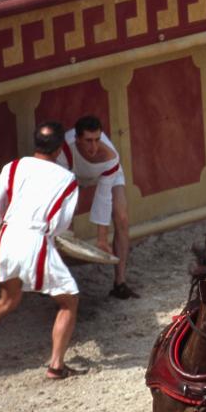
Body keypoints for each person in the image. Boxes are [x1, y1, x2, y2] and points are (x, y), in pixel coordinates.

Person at [0, 122, 84, 379]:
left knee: (7, 300)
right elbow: (59, 225)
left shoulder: (13, 167)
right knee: (68, 301)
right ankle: (56, 365)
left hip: (8, 236)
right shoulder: (67, 180)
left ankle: (57, 364)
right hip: (36, 240)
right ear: (58, 150)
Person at [58, 115, 139, 299]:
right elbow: (62, 190)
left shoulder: (109, 157)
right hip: (73, 174)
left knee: (122, 216)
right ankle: (57, 282)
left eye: (97, 140)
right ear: (77, 138)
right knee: (65, 215)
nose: (93, 147)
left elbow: (103, 198)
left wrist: (102, 239)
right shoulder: (64, 148)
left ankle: (120, 282)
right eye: (88, 141)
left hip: (106, 174)